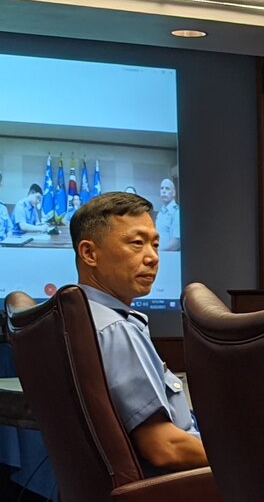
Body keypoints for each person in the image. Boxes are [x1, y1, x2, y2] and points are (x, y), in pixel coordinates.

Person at [71, 190, 204, 473]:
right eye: (136, 243)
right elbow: (163, 447)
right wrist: (246, 456)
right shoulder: (115, 329)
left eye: (155, 245)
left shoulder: (76, 320)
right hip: (181, 488)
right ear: (89, 253)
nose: (153, 257)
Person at [154, 177, 181, 251]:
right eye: (162, 188)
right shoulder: (160, 214)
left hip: (170, 257)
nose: (164, 191)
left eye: (167, 188)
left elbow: (176, 243)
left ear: (174, 193)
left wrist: (159, 252)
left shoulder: (177, 212)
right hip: (159, 257)